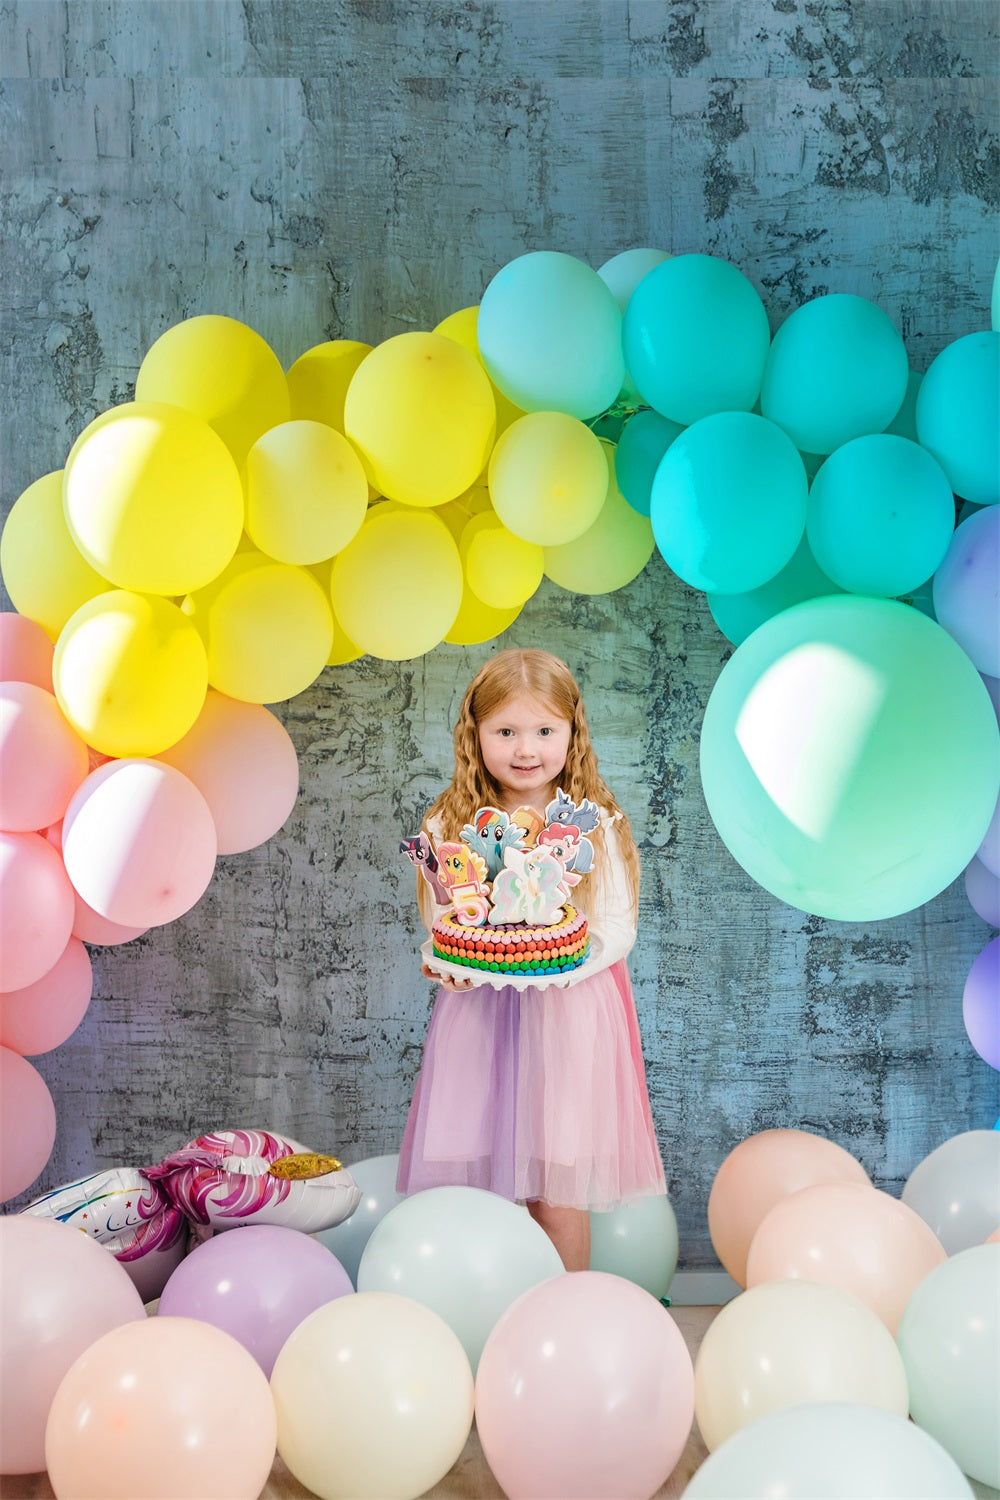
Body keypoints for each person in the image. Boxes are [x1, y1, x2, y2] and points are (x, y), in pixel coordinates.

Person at [397, 647, 666, 1271]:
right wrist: (445, 962)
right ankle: (481, 1314)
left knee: (556, 1189)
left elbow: (618, 929)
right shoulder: (450, 822)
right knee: (474, 1182)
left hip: (570, 1017)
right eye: (507, 731)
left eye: (545, 731)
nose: (527, 748)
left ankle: (563, 1311)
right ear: (476, 732)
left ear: (572, 734)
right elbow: (443, 923)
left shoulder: (595, 822)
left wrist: (551, 967)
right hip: (478, 1018)